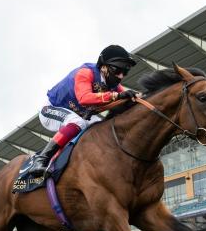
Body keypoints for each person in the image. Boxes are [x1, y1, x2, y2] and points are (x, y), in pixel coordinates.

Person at [26, 45, 138, 176]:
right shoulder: (85, 72)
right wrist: (115, 96)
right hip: (51, 110)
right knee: (78, 123)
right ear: (103, 66)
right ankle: (41, 159)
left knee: (101, 127)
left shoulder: (113, 84)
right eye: (117, 70)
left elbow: (131, 97)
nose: (120, 76)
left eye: (125, 73)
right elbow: (84, 98)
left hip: (78, 115)